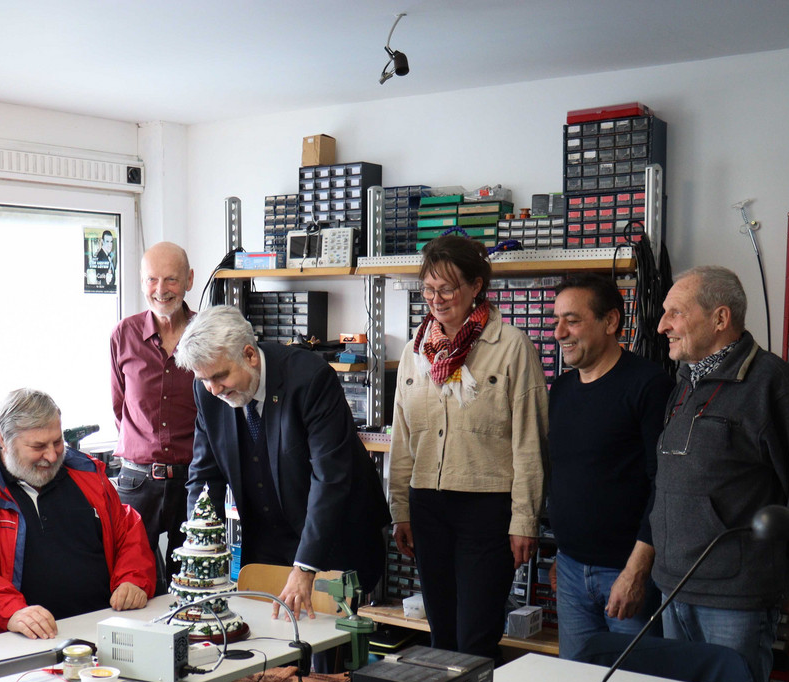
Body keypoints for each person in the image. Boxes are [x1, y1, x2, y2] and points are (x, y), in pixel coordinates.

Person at [651, 266, 789, 682]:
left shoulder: (774, 384)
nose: (662, 326)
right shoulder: (684, 381)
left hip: (737, 596)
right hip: (673, 585)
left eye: (675, 313)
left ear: (720, 318)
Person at [388, 235, 548, 659]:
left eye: (447, 288)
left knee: (476, 635)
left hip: (486, 508)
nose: (436, 299)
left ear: (476, 286)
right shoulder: (414, 353)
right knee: (440, 633)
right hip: (427, 507)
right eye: (428, 289)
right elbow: (403, 440)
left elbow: (529, 442)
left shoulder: (511, 346)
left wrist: (524, 520)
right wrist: (399, 510)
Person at [177, 305, 390, 619]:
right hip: (266, 540)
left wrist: (306, 567)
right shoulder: (207, 389)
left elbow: (330, 478)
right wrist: (199, 547)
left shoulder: (310, 379)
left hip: (334, 538)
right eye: (204, 379)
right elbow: (203, 475)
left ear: (249, 355)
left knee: (329, 653)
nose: (214, 389)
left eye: (220, 377)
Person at [0, 388, 155, 642]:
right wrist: (11, 611)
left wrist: (133, 579)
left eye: (57, 442)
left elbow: (127, 529)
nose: (52, 456)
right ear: (3, 440)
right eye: (38, 446)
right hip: (15, 639)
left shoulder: (87, 474)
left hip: (101, 631)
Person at [547, 274, 674, 659]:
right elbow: (566, 478)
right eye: (555, 320)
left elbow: (663, 486)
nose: (558, 333)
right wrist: (559, 554)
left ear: (611, 321)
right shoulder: (562, 390)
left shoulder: (648, 385)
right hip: (570, 571)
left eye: (572, 320)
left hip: (626, 572)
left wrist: (636, 572)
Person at [110, 241, 197, 589]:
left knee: (192, 583)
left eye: (171, 280)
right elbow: (120, 406)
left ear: (190, 280)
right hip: (136, 482)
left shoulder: (208, 333)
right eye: (151, 280)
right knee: (135, 581)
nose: (161, 290)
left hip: (194, 481)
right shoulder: (124, 334)